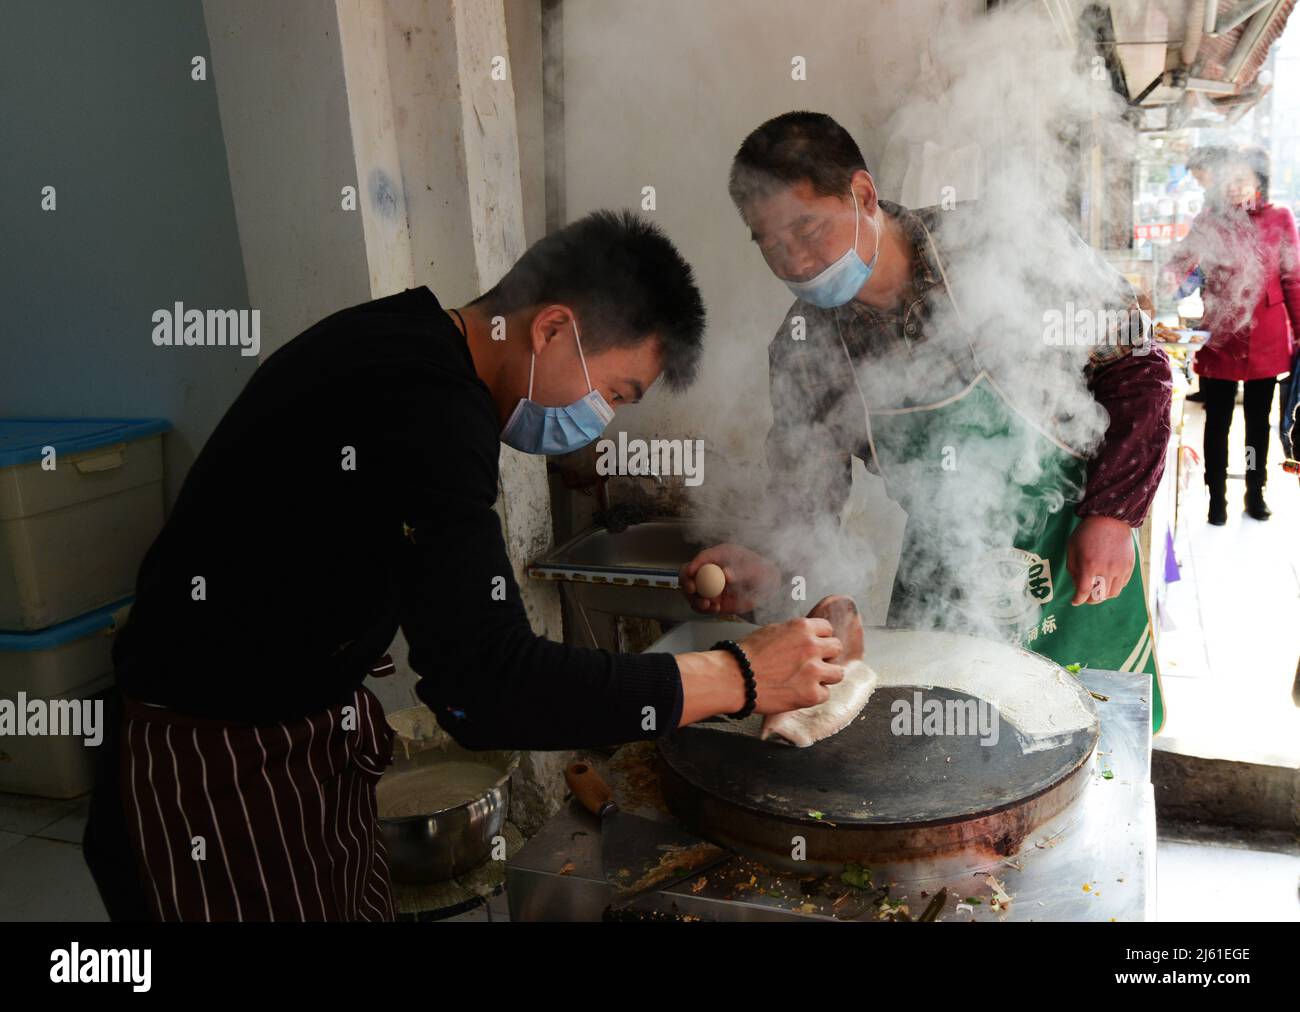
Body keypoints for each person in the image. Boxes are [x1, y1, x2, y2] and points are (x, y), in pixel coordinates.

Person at [83, 210, 847, 922]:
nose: (601, 419)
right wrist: (739, 676)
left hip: (298, 729)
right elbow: (486, 689)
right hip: (222, 769)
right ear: (553, 328)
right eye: (614, 391)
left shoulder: (402, 343)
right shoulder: (432, 407)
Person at [680, 112, 1172, 730]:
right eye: (771, 245)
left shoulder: (1003, 248)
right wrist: (770, 561)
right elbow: (808, 492)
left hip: (1075, 547)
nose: (796, 262)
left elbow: (1137, 365)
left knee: (1092, 752)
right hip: (942, 571)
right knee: (947, 758)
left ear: (861, 194)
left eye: (807, 230)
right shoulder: (806, 349)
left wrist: (1112, 514)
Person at [1168, 146, 1299, 524]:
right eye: (1230, 180)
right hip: (1221, 335)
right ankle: (1216, 496)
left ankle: (1254, 491)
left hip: (1267, 339)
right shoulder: (1209, 220)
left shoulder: (1280, 219)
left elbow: (1293, 279)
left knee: (1257, 426)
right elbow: (1180, 264)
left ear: (1259, 182)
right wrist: (1166, 283)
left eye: (1242, 180)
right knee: (1217, 423)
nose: (1235, 188)